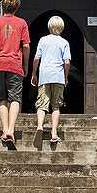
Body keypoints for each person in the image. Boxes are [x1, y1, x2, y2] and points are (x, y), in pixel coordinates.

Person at [0, 0, 30, 149]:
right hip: (14, 64)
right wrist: (25, 64)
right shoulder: (22, 23)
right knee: (15, 99)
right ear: (16, 8)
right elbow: (26, 46)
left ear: (3, 6)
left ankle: (4, 131)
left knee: (2, 99)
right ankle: (11, 130)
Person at [30, 14, 71, 150]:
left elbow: (36, 58)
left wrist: (34, 74)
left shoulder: (43, 40)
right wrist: (65, 77)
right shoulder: (64, 42)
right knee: (56, 106)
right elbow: (67, 62)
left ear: (49, 27)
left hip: (45, 76)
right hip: (58, 77)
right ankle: (54, 133)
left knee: (42, 104)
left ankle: (40, 126)